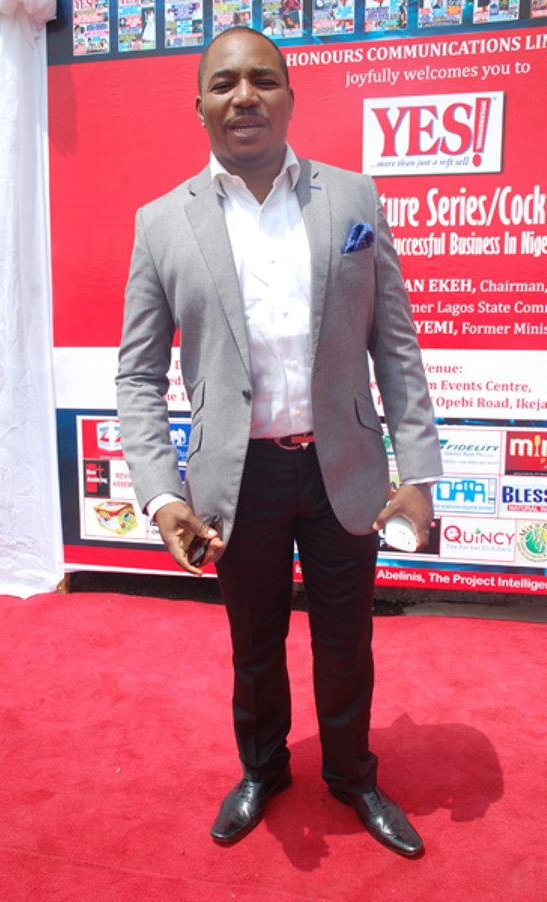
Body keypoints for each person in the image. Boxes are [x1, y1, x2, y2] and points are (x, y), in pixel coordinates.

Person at [116, 26, 442, 857]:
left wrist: (420, 470)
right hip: (238, 481)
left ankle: (353, 775)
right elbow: (137, 375)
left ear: (291, 96)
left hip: (344, 471)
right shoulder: (161, 224)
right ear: (199, 106)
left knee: (347, 643)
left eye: (263, 79)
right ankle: (263, 770)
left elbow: (396, 345)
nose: (245, 97)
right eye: (224, 83)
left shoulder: (353, 199)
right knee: (254, 648)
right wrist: (162, 495)